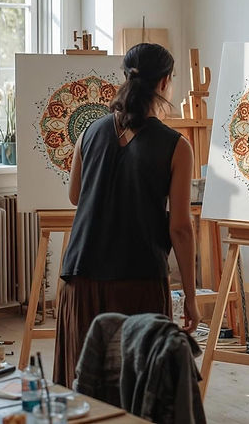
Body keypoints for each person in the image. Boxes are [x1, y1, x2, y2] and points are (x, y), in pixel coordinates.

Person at [54, 42, 199, 386]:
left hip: (81, 276)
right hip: (138, 281)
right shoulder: (176, 145)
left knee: (84, 384)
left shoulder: (90, 131)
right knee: (136, 388)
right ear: (164, 82)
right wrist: (191, 298)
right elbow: (180, 228)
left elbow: (75, 195)